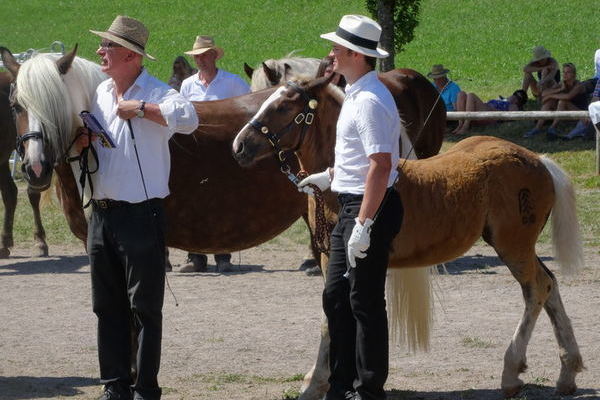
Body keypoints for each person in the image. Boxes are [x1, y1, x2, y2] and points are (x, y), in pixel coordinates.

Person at [81, 16, 198, 400]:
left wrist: (143, 108)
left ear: (131, 55)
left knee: (144, 308)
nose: (100, 51)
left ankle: (146, 388)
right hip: (101, 214)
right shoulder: (99, 93)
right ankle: (114, 385)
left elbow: (189, 119)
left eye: (108, 47)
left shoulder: (158, 92)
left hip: (140, 214)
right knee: (105, 306)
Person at [298, 14, 403, 400]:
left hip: (367, 208)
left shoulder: (369, 101)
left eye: (337, 49)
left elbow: (381, 163)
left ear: (355, 55)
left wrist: (363, 223)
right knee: (337, 296)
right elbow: (364, 160)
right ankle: (343, 382)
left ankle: (369, 387)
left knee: (363, 299)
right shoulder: (359, 94)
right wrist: (331, 176)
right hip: (354, 203)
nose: (331, 53)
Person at [178, 35, 250, 273]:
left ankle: (223, 255)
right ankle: (195, 257)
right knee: (194, 203)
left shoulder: (233, 83)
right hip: (196, 153)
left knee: (222, 202)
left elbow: (250, 113)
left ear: (214, 56)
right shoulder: (188, 85)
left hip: (223, 153)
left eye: (205, 55)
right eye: (198, 56)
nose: (201, 60)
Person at [524, 63, 590, 138]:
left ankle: (553, 127)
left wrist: (551, 96)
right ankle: (537, 128)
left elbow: (568, 97)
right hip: (567, 110)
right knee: (550, 102)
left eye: (568, 72)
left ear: (573, 74)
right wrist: (559, 89)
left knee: (562, 101)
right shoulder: (562, 83)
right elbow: (544, 94)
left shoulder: (578, 85)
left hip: (581, 113)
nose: (565, 74)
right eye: (564, 72)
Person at [451, 89, 528, 135]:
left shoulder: (514, 106)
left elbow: (511, 117)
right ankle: (460, 124)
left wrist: (498, 113)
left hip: (489, 115)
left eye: (518, 98)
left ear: (520, 102)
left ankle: (466, 126)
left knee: (471, 95)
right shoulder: (502, 100)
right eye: (515, 94)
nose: (515, 97)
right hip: (483, 109)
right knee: (461, 94)